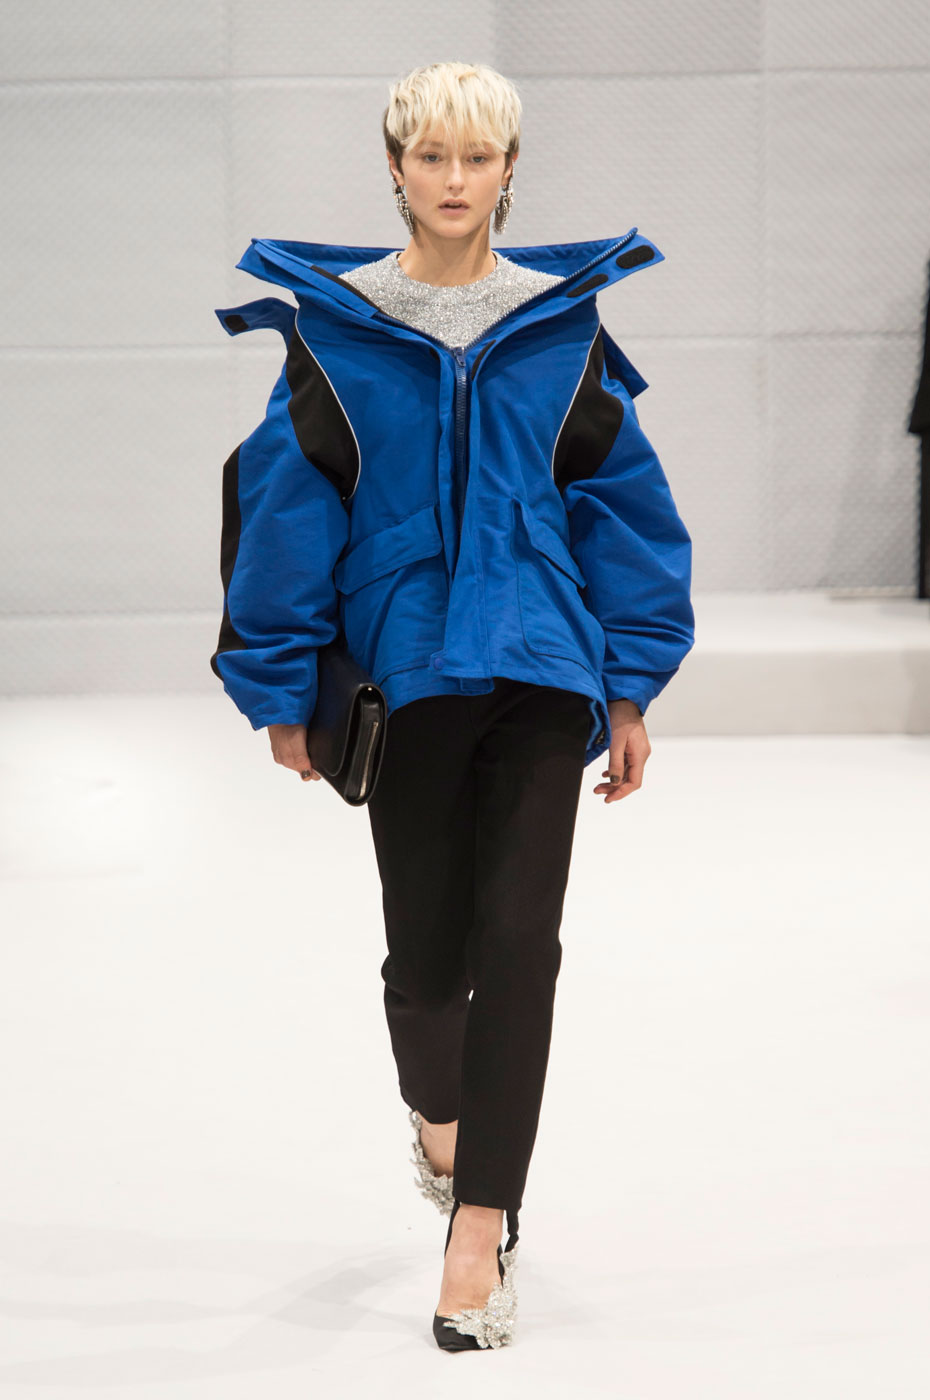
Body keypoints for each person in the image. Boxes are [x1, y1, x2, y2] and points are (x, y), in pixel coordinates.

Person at [209, 61, 695, 1350]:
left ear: (509, 170)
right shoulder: (338, 331)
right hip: (408, 675)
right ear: (397, 168)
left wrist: (630, 687)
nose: (456, 179)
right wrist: (280, 685)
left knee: (521, 948)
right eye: (433, 156)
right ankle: (440, 1123)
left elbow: (623, 508)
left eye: (479, 157)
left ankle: (482, 1224)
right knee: (426, 973)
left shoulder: (561, 327)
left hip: (542, 667)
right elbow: (287, 510)